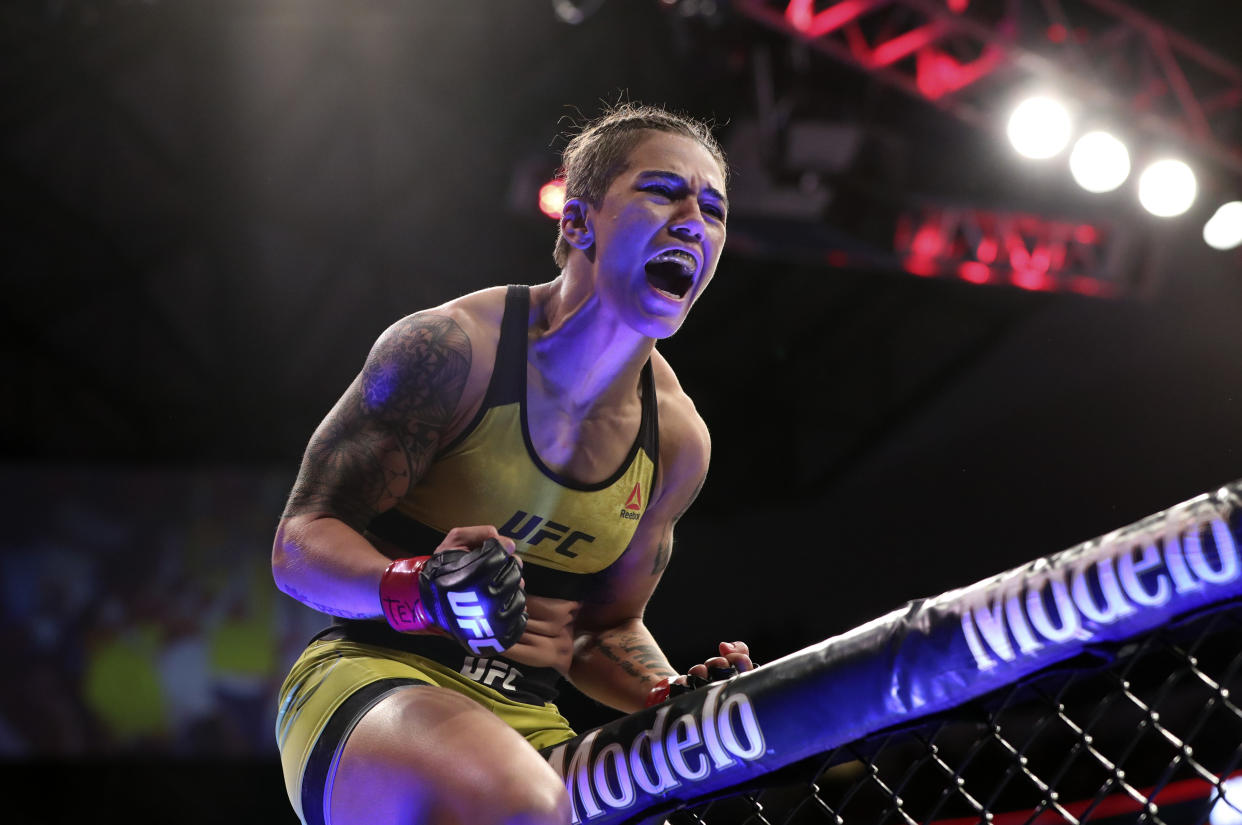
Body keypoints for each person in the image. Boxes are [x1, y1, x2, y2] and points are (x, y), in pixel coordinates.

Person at [272, 102, 754, 825]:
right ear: (577, 223)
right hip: (375, 679)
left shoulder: (680, 441)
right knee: (523, 804)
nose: (693, 218)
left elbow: (602, 626)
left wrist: (672, 690)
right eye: (663, 190)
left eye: (713, 208)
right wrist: (419, 586)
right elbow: (299, 543)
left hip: (530, 715)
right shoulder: (453, 351)